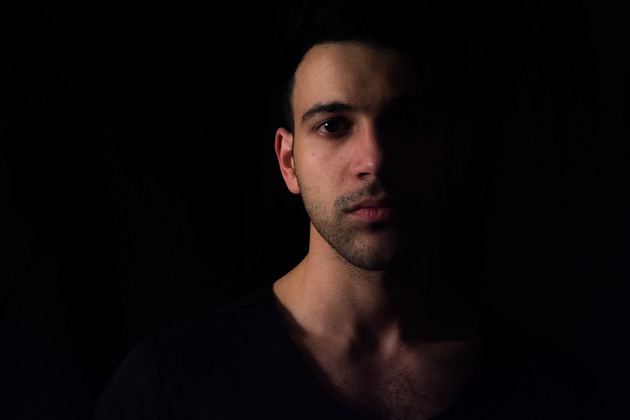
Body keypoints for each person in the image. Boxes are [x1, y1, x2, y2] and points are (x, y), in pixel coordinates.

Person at [93, 2, 598, 419]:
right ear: (288, 162)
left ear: (453, 154)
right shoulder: (170, 385)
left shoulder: (553, 392)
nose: (374, 161)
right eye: (334, 126)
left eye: (405, 125)